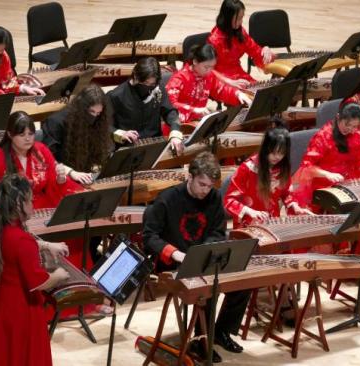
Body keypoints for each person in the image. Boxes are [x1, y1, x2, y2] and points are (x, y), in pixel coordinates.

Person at [143, 152, 249, 362]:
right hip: (172, 262)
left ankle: (220, 331)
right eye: (201, 184)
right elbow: (149, 237)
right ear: (189, 177)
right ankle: (201, 341)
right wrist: (176, 253)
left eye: (209, 186)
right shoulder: (167, 199)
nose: (205, 191)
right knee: (209, 288)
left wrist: (206, 251)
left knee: (243, 283)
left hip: (203, 257)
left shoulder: (213, 197)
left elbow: (218, 231)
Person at [0, 111, 88, 267]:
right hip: (12, 212)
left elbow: (55, 182)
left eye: (31, 134)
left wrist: (61, 179)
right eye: (22, 134)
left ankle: (74, 279)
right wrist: (1, 211)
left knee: (71, 232)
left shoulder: (41, 150)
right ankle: (40, 278)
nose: (28, 138)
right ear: (10, 134)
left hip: (43, 208)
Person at [0, 173, 70, 366]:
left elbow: (17, 246)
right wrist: (58, 275)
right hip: (21, 311)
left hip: (0, 306)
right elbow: (38, 282)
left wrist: (44, 245)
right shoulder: (21, 240)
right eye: (30, 200)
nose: (33, 205)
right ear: (18, 204)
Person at [291, 103, 360, 212]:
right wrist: (328, 174)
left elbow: (358, 164)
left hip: (343, 180)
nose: (350, 129)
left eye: (354, 126)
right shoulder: (323, 136)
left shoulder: (354, 133)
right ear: (338, 117)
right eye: (347, 124)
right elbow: (307, 167)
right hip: (321, 182)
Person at [224, 127, 312, 228]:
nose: (277, 157)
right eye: (273, 152)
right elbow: (229, 200)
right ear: (266, 149)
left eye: (281, 153)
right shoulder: (247, 168)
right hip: (248, 223)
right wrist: (250, 211)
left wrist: (295, 206)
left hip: (272, 222)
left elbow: (286, 193)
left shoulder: (282, 168)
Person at [107, 57, 184, 155]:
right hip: (128, 148)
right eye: (145, 83)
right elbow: (104, 125)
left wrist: (175, 132)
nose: (148, 88)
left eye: (152, 84)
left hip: (155, 144)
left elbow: (169, 112)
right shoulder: (116, 96)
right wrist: (121, 133)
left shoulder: (157, 88)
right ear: (135, 76)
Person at [42, 84, 113, 185]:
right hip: (62, 177)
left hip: (84, 175)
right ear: (81, 107)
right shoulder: (55, 122)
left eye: (98, 113)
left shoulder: (97, 122)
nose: (93, 117)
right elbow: (48, 159)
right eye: (91, 111)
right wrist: (71, 172)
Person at [166, 44, 252, 125]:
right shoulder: (179, 78)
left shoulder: (208, 76)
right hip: (177, 125)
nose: (209, 70)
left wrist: (238, 94)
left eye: (212, 67)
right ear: (195, 61)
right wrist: (194, 110)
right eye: (206, 67)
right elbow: (170, 104)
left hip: (197, 123)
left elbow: (221, 90)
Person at [207, 0, 275, 88]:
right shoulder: (214, 40)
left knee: (263, 93)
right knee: (246, 97)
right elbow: (208, 69)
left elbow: (254, 49)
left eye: (242, 18)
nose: (241, 22)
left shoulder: (240, 32)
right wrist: (229, 81)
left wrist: (265, 50)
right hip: (221, 80)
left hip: (239, 75)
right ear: (227, 17)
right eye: (238, 18)